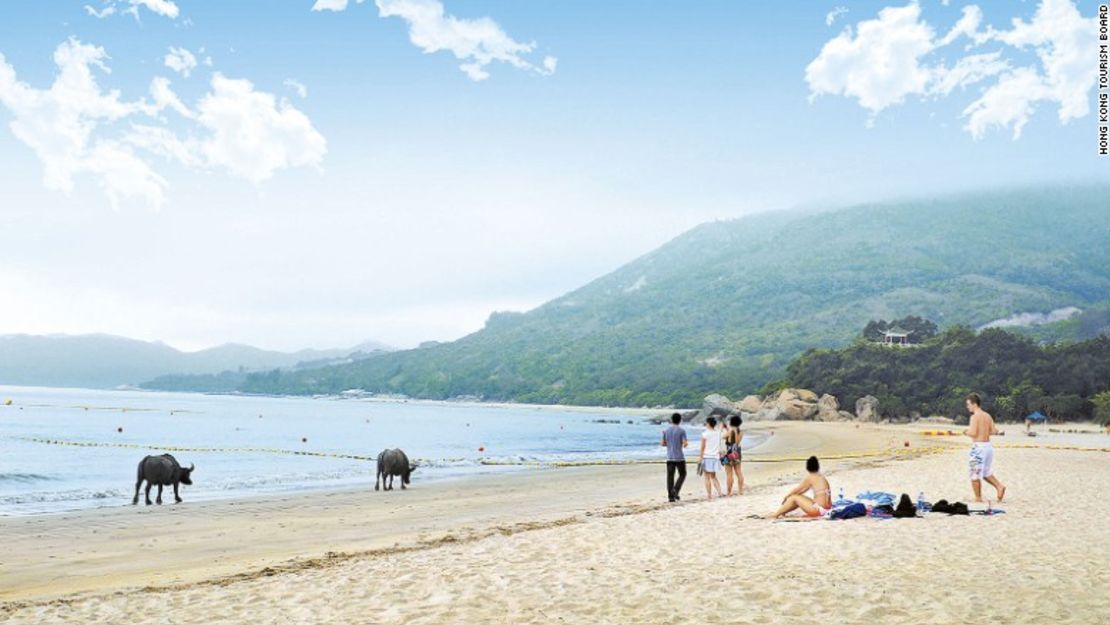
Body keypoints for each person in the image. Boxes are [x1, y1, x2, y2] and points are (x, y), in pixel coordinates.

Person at [963, 392, 1006, 503]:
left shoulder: (974, 417)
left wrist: (965, 432)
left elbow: (973, 432)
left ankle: (978, 498)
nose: (967, 407)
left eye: (968, 404)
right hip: (988, 447)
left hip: (978, 447)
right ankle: (999, 486)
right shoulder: (987, 415)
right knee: (986, 472)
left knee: (974, 473)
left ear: (975, 404)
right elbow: (993, 431)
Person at [660, 412, 688, 502]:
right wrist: (682, 443)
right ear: (680, 420)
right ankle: (675, 490)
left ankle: (671, 497)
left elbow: (663, 444)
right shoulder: (682, 431)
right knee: (683, 474)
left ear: (671, 420)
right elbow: (685, 444)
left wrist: (669, 443)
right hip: (679, 457)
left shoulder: (666, 431)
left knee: (670, 477)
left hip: (669, 457)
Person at [699, 417, 723, 500]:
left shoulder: (705, 434)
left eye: (706, 423)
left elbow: (702, 447)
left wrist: (700, 458)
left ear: (708, 424)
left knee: (707, 477)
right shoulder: (718, 433)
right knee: (714, 476)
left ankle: (709, 495)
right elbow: (722, 425)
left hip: (707, 457)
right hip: (715, 457)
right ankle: (719, 492)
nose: (705, 424)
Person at [722, 415, 744, 496]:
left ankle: (729, 492)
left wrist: (724, 429)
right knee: (739, 473)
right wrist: (727, 429)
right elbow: (735, 441)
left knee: (729, 474)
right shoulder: (741, 432)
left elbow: (723, 437)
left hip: (729, 453)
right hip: (737, 453)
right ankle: (740, 491)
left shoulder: (730, 431)